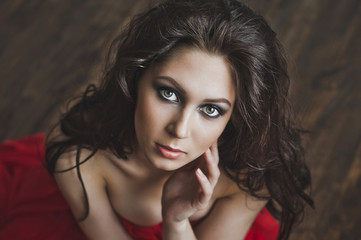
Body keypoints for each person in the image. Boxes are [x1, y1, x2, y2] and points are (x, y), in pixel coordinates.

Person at [0, 0, 313, 239]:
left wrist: (176, 223)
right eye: (169, 94)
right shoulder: (80, 159)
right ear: (136, 79)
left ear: (234, 116)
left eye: (211, 110)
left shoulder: (247, 176)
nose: (179, 129)